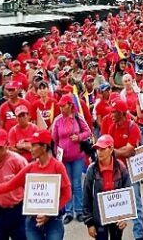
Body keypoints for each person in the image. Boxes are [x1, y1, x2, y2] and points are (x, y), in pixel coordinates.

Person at [0, 129, 72, 240]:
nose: (30, 148)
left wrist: (49, 214)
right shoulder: (30, 167)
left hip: (53, 221)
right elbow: (8, 185)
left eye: (34, 145)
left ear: (44, 147)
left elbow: (67, 194)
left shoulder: (58, 167)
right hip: (33, 221)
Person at [100, 98, 143, 240]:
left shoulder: (133, 127)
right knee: (117, 206)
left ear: (122, 113)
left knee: (135, 205)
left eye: (114, 112)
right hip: (116, 171)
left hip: (130, 172)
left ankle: (139, 236)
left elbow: (129, 151)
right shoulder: (112, 127)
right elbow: (115, 149)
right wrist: (120, 151)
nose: (111, 115)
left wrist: (113, 152)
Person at [50, 95, 91, 224]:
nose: (61, 108)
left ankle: (79, 211)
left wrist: (78, 137)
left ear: (70, 105)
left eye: (63, 106)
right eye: (60, 106)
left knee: (77, 183)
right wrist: (56, 156)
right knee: (67, 184)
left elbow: (88, 132)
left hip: (78, 156)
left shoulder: (78, 117)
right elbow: (54, 139)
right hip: (64, 158)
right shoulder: (57, 120)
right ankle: (68, 211)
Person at [82, 134, 131, 240]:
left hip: (117, 218)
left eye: (103, 149)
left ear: (111, 149)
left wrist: (124, 217)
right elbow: (86, 197)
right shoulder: (91, 170)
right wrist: (89, 223)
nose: (99, 152)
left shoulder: (121, 168)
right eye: (97, 149)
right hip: (98, 218)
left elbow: (128, 193)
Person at [0, 129, 28, 240]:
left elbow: (28, 184)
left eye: (0, 148)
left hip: (18, 211)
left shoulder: (18, 161)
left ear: (7, 145)